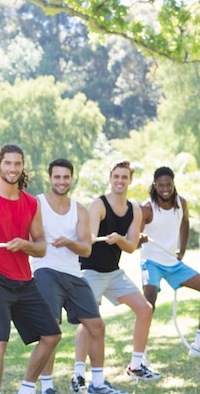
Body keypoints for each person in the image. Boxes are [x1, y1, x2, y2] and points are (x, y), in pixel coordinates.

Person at [0, 143, 61, 394]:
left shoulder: (31, 203)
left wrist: (25, 244)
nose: (13, 168)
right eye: (8, 163)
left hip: (24, 279)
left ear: (22, 166)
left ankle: (27, 388)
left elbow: (41, 247)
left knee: (52, 335)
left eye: (17, 163)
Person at [33, 159, 126, 394]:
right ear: (50, 178)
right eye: (57, 177)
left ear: (71, 179)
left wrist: (69, 242)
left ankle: (96, 384)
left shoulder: (80, 209)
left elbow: (86, 248)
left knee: (97, 326)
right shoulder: (37, 204)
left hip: (74, 274)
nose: (61, 182)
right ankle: (47, 387)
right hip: (45, 270)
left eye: (66, 177)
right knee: (50, 329)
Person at [76, 159, 160, 387]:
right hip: (90, 269)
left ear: (130, 180)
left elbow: (132, 247)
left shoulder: (134, 210)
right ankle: (79, 374)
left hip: (113, 273)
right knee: (89, 320)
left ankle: (136, 366)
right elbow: (91, 239)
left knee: (145, 309)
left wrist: (120, 239)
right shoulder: (99, 205)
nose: (120, 181)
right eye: (116, 177)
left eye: (124, 177)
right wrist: (95, 236)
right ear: (110, 179)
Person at [139, 166, 200, 358]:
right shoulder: (147, 207)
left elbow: (184, 222)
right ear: (155, 185)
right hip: (151, 262)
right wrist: (139, 238)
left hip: (173, 264)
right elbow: (135, 238)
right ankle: (141, 354)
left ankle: (198, 345)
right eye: (161, 185)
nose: (165, 188)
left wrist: (181, 251)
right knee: (149, 303)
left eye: (169, 185)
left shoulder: (181, 203)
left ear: (173, 184)